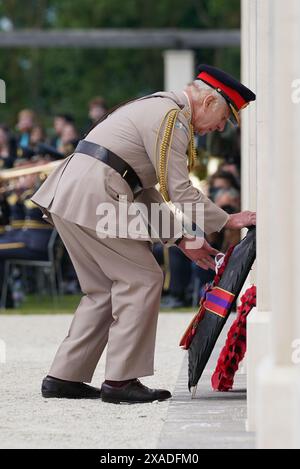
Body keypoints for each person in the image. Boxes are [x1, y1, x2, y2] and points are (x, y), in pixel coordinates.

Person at [31, 64, 256, 404]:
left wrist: (181, 238)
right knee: (143, 278)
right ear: (209, 101)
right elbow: (178, 190)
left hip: (74, 191)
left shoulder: (159, 109)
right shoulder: (173, 119)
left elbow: (144, 189)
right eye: (224, 117)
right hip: (96, 193)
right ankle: (121, 382)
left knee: (103, 289)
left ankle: (65, 376)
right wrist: (226, 220)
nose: (220, 127)